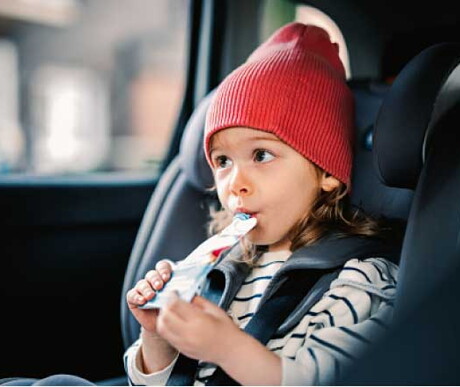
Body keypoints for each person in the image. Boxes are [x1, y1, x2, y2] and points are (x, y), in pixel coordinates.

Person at [123, 22, 400, 386]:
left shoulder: (358, 283)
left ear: (326, 171)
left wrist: (229, 348)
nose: (235, 183)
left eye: (261, 155)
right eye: (223, 161)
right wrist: (158, 336)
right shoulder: (221, 269)